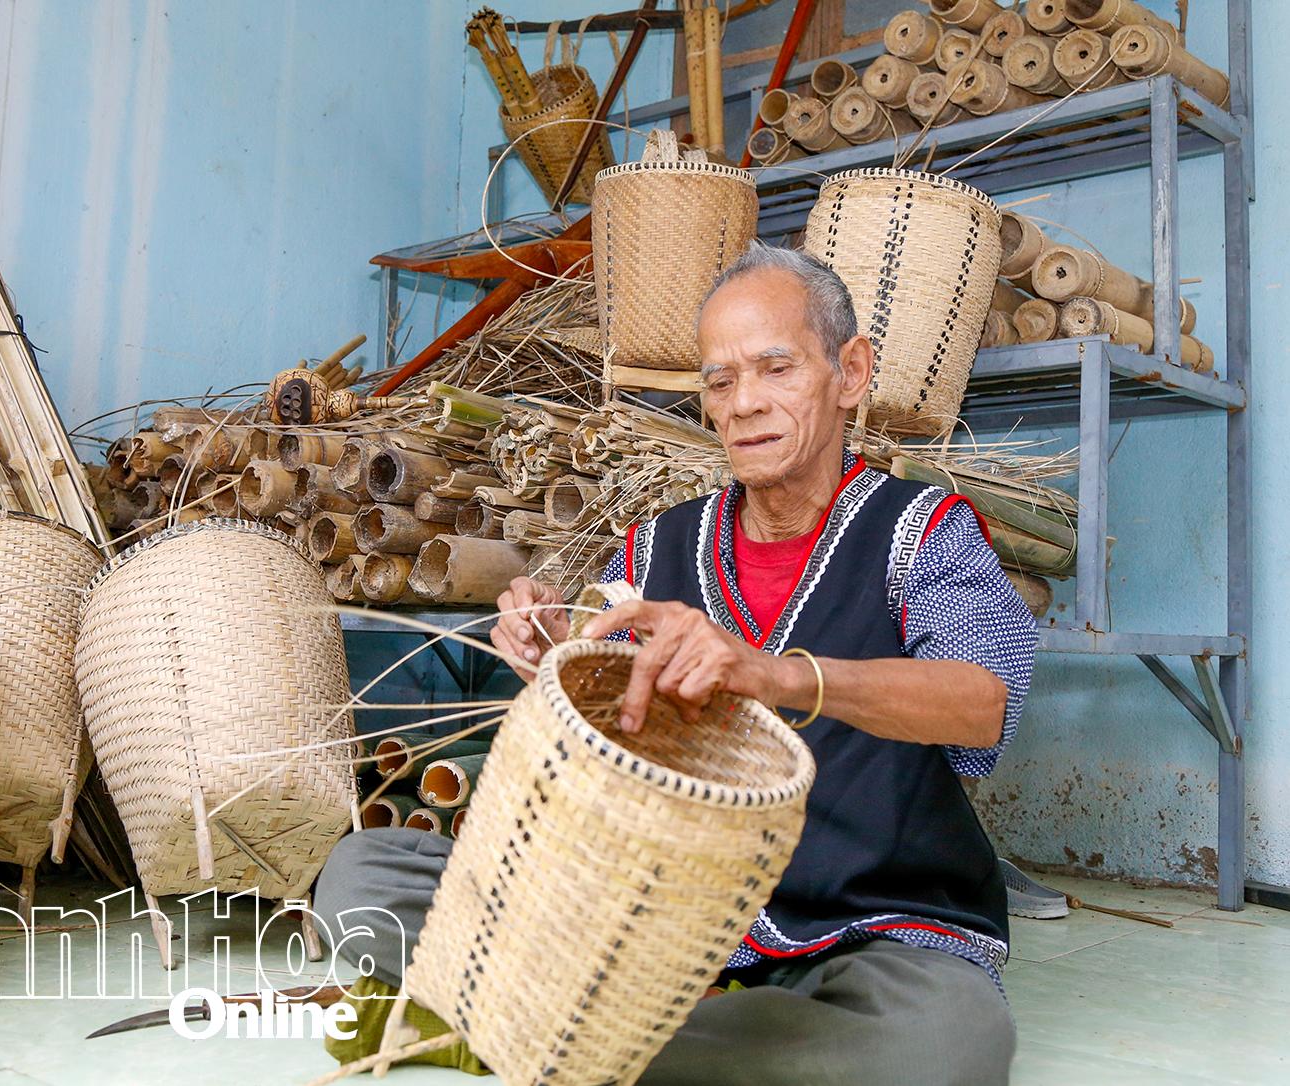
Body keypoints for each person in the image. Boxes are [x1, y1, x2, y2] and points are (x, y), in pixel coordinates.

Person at [315, 242, 1037, 1084]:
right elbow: (610, 716)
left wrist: (777, 673)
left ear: (849, 372)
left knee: (945, 1040)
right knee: (363, 876)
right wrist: (555, 657)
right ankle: (635, 1038)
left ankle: (563, 1035)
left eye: (775, 369)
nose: (743, 406)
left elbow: (981, 699)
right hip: (652, 914)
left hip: (862, 927)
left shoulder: (923, 533)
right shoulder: (659, 547)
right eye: (719, 382)